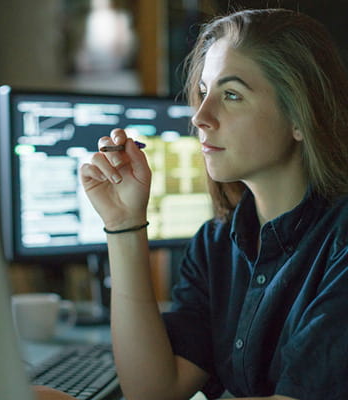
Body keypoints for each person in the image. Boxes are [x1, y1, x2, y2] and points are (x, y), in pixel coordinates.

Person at [78, 7, 348, 400]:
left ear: (300, 117)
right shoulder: (215, 245)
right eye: (203, 93)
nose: (200, 117)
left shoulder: (340, 242)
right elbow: (154, 391)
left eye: (232, 95)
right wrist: (123, 224)